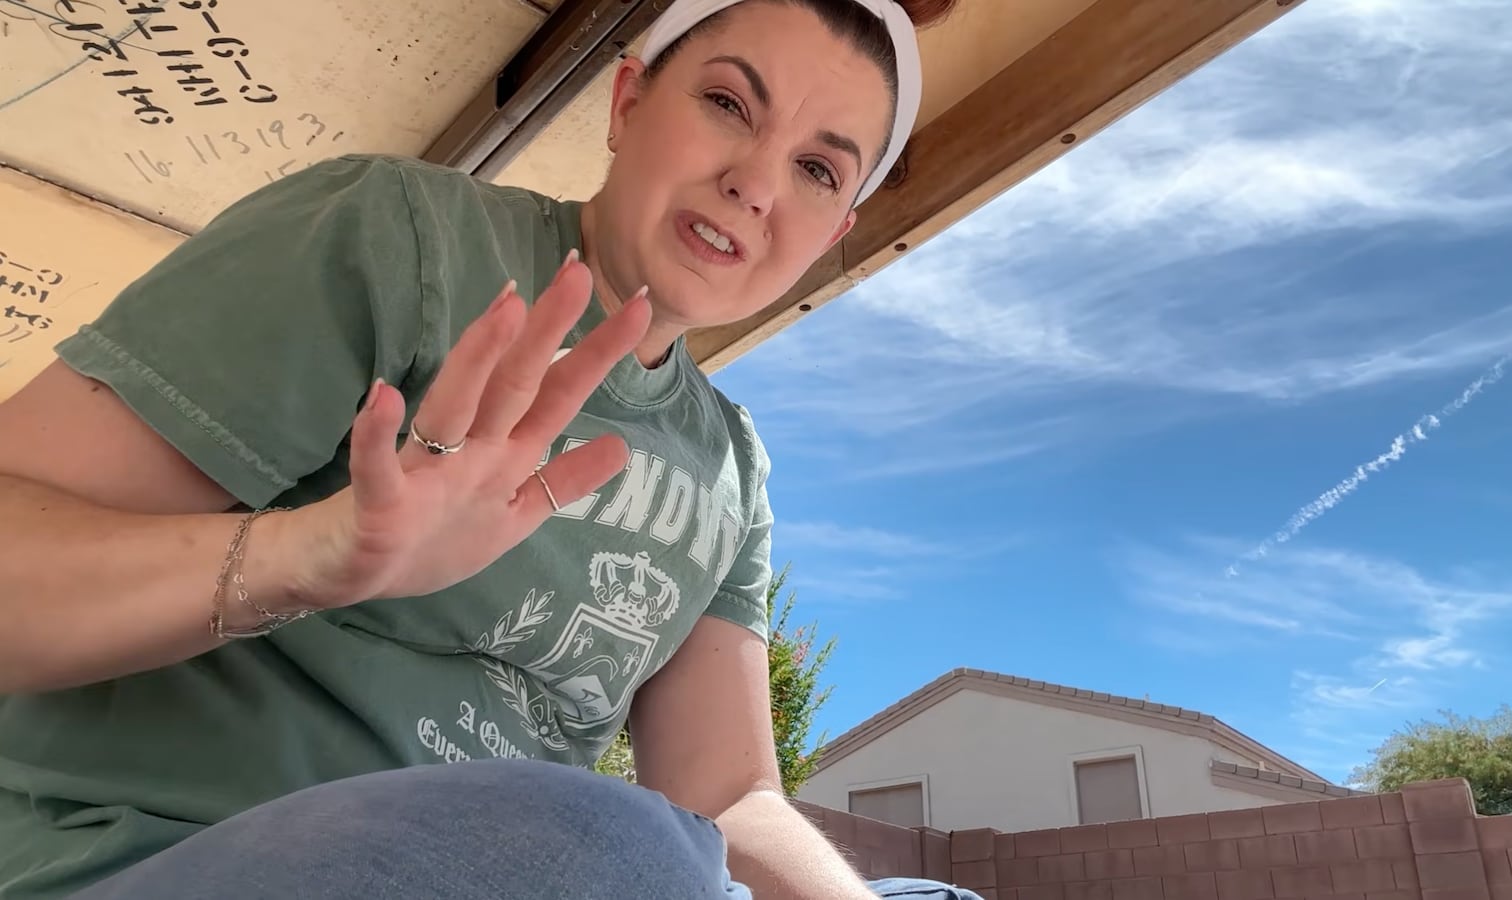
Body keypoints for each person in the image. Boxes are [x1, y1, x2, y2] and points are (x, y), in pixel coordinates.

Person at [0, 0, 979, 897]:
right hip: (169, 855)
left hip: (541, 864)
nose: (755, 184)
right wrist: (306, 554)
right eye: (728, 103)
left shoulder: (732, 464)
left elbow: (725, 797)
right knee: (606, 842)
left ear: (837, 226)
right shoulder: (397, 236)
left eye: (818, 169)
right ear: (628, 102)